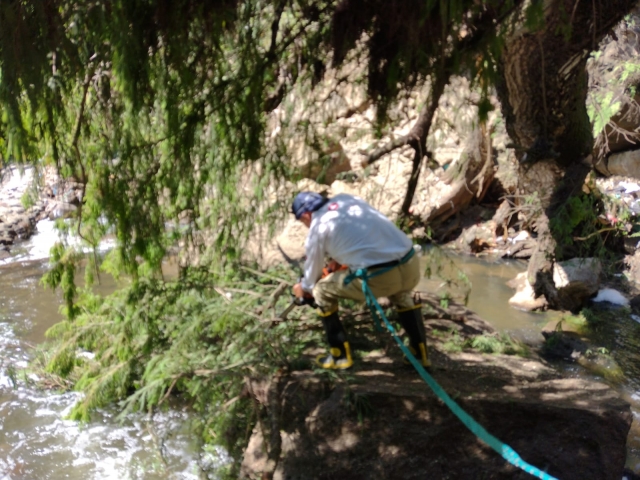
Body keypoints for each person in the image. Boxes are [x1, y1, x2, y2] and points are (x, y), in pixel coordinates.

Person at [291, 191, 430, 370]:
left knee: (321, 291)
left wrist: (303, 289)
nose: (305, 226)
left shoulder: (317, 228)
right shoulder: (346, 199)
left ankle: (339, 356)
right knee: (401, 293)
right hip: (410, 264)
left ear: (305, 215)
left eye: (303, 222)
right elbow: (361, 236)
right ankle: (420, 354)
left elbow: (311, 280)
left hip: (380, 276)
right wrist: (338, 262)